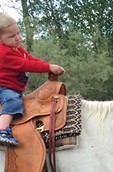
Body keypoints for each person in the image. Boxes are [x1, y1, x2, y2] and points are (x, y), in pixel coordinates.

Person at [0, 12, 65, 146]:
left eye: (18, 33)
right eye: (12, 36)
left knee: (19, 100)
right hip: (4, 87)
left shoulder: (17, 48)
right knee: (12, 101)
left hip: (13, 87)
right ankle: (2, 130)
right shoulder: (5, 53)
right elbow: (26, 64)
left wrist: (48, 66)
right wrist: (48, 67)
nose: (18, 38)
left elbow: (30, 59)